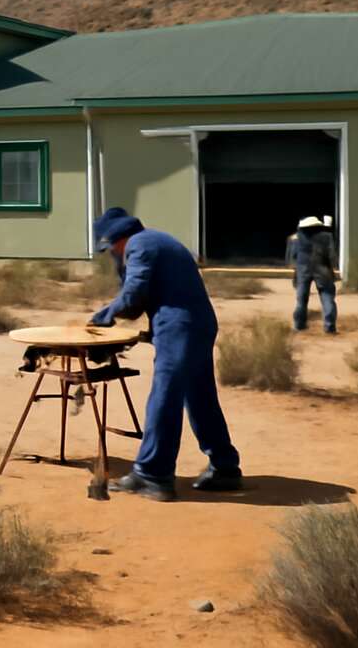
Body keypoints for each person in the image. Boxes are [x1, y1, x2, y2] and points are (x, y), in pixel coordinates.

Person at [88, 208, 242, 501]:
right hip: (196, 324)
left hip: (179, 326)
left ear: (117, 239)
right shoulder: (156, 240)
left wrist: (102, 317)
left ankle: (152, 474)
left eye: (110, 249)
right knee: (200, 398)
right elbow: (139, 301)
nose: (112, 256)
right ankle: (225, 467)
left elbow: (134, 292)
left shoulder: (138, 245)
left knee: (164, 396)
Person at [286, 215, 339, 334]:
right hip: (322, 269)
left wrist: (296, 270)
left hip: (303, 269)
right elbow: (331, 255)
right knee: (327, 297)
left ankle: (299, 325)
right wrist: (332, 269)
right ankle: (329, 326)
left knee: (301, 299)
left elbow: (292, 258)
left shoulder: (295, 238)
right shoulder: (326, 236)